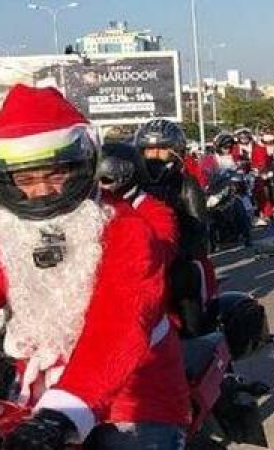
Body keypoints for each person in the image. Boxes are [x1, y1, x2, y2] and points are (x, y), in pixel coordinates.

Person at [0, 84, 189, 448]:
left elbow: (119, 324)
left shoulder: (126, 228)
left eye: (55, 175)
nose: (41, 190)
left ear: (83, 167)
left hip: (133, 401)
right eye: (25, 180)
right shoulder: (10, 229)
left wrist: (61, 412)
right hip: (37, 397)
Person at [134, 119, 217, 334]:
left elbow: (198, 230)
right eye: (149, 150)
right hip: (139, 261)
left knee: (186, 279)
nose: (154, 156)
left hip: (177, 261)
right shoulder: (134, 186)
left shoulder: (186, 185)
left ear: (177, 153)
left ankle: (196, 334)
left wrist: (176, 253)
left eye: (162, 150)